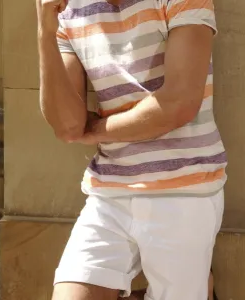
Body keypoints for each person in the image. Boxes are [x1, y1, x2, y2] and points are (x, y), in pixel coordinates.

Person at [36, 0, 226, 299]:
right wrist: (45, 34)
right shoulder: (70, 9)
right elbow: (68, 126)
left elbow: (179, 103)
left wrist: (97, 130)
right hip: (109, 191)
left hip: (184, 186)